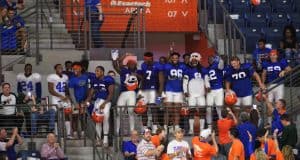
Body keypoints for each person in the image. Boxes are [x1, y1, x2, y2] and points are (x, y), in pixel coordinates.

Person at [86, 66, 114, 146]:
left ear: (102, 72)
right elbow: (91, 94)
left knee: (105, 119)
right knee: (97, 121)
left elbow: (111, 94)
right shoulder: (95, 81)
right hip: (97, 102)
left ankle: (105, 140)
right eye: (96, 71)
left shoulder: (108, 79)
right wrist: (86, 102)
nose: (96, 73)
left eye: (98, 71)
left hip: (106, 102)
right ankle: (98, 140)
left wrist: (104, 104)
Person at [112, 51, 139, 134]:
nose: (132, 65)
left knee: (131, 111)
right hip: (123, 92)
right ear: (127, 65)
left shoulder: (138, 72)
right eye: (130, 63)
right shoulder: (124, 71)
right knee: (119, 112)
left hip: (132, 93)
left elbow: (143, 81)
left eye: (133, 64)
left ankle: (132, 131)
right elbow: (116, 66)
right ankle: (117, 131)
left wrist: (136, 75)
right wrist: (124, 55)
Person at [183, 52, 210, 133]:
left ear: (198, 60)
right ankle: (191, 130)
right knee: (191, 112)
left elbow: (206, 80)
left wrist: (208, 86)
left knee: (202, 111)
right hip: (191, 94)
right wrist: (185, 91)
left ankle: (202, 129)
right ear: (191, 60)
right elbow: (185, 82)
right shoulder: (187, 70)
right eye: (193, 60)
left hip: (201, 94)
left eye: (196, 60)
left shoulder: (203, 69)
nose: (194, 61)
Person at [137, 52, 164, 132]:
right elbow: (142, 78)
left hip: (154, 90)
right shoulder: (143, 65)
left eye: (146, 59)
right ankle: (144, 127)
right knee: (143, 109)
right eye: (144, 59)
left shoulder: (158, 65)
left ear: (151, 58)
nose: (145, 61)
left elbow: (161, 81)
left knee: (153, 109)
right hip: (144, 89)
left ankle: (154, 127)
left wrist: (160, 94)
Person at [162, 52, 187, 131]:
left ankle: (176, 127)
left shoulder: (182, 66)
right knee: (167, 109)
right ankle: (166, 127)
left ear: (178, 58)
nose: (175, 59)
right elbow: (164, 78)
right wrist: (163, 91)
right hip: (169, 90)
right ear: (171, 58)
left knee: (177, 110)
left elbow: (185, 78)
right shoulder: (167, 66)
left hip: (179, 91)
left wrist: (184, 91)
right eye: (173, 58)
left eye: (176, 58)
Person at [47, 64, 70, 137]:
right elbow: (50, 90)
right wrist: (60, 96)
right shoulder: (52, 77)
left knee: (66, 114)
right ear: (55, 69)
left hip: (64, 98)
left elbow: (66, 88)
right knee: (56, 115)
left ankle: (68, 133)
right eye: (58, 68)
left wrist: (66, 96)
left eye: (61, 67)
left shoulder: (65, 77)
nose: (60, 69)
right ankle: (57, 134)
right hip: (56, 98)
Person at [68, 62, 89, 138]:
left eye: (76, 68)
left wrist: (86, 100)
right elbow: (71, 93)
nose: (74, 70)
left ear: (80, 68)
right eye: (73, 69)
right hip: (75, 101)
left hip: (84, 101)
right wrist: (75, 103)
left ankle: (83, 133)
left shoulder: (85, 77)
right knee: (75, 117)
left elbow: (88, 90)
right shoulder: (72, 79)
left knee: (84, 117)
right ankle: (75, 133)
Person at [205, 55, 225, 120]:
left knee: (219, 107)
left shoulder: (217, 65)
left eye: (212, 59)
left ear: (214, 59)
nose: (210, 60)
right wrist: (207, 86)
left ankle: (221, 123)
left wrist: (220, 59)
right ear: (207, 61)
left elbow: (221, 65)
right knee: (208, 108)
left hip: (219, 89)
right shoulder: (207, 69)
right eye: (209, 59)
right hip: (210, 90)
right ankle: (209, 126)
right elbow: (206, 79)